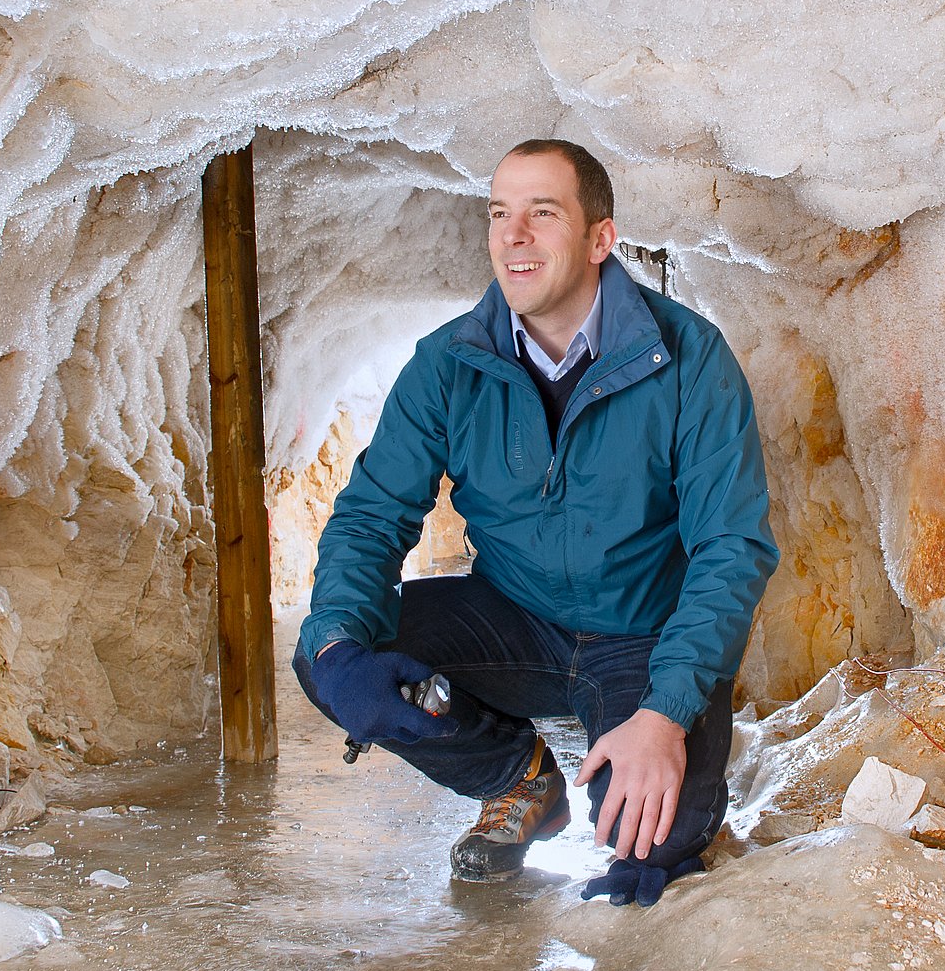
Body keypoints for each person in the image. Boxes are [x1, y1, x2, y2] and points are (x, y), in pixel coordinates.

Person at [294, 138, 779, 907]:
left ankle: (657, 760)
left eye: (541, 213)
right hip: (514, 622)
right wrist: (338, 641)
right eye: (499, 213)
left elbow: (732, 547)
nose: (512, 236)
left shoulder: (688, 356)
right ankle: (516, 778)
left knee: (651, 842)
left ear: (599, 238)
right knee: (338, 653)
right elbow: (371, 515)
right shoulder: (449, 363)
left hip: (643, 641)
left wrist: (667, 710)